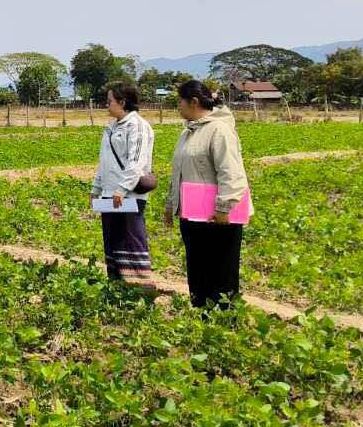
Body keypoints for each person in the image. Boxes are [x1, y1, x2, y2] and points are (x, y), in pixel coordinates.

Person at [164, 79, 253, 308]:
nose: (178, 106)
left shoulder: (219, 130)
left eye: (180, 101)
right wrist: (171, 204)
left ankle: (224, 320)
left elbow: (231, 172)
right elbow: (179, 172)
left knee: (221, 272)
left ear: (193, 102)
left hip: (217, 217)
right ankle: (202, 315)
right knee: (198, 270)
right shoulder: (188, 132)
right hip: (193, 215)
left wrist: (224, 208)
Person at [91, 80, 157, 290]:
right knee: (113, 240)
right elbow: (104, 161)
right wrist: (96, 189)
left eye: (109, 100)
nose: (107, 104)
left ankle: (139, 288)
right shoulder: (111, 128)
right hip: (110, 194)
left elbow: (136, 162)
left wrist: (122, 189)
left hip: (128, 195)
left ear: (121, 102)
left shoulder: (138, 126)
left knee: (131, 239)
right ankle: (117, 286)